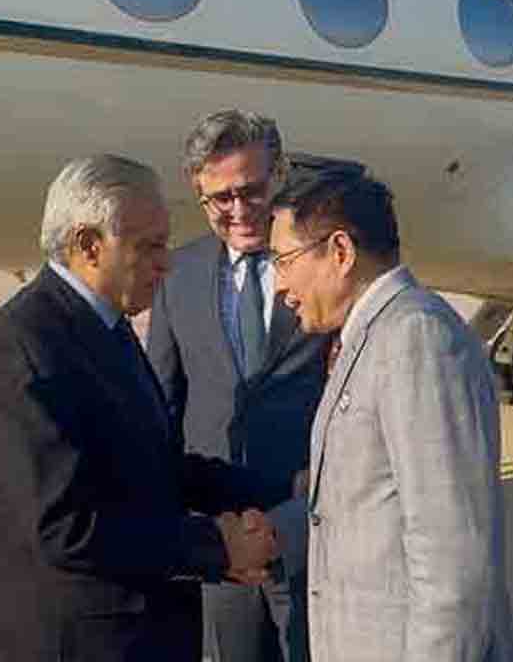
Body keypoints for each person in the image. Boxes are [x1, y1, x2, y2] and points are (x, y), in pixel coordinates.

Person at [0, 155, 288, 662]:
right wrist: (215, 547)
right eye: (148, 246)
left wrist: (282, 491)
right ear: (89, 246)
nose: (166, 263)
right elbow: (64, 526)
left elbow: (157, 469)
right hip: (73, 641)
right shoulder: (24, 345)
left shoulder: (106, 325)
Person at [267, 167, 513, 662]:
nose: (279, 284)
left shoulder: (415, 338)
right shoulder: (369, 335)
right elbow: (368, 501)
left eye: (283, 260)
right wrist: (277, 530)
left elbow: (454, 563)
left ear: (340, 252)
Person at [147, 110, 328, 662]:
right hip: (223, 540)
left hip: (309, 527)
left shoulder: (321, 265)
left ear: (280, 175)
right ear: (198, 193)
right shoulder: (177, 274)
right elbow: (163, 404)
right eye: (220, 198)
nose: (239, 210)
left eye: (251, 191)